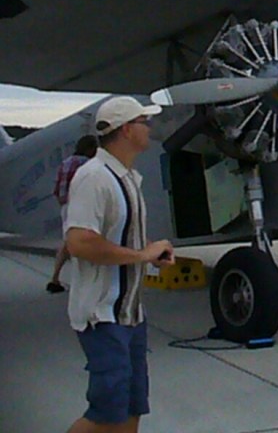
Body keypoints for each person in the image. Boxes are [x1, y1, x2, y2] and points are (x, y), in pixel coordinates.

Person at [64, 96, 175, 433]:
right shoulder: (94, 177)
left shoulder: (127, 177)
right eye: (145, 122)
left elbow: (120, 239)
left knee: (131, 408)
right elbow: (79, 242)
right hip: (103, 316)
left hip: (130, 314)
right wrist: (142, 255)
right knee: (104, 415)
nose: (150, 128)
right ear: (127, 130)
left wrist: (152, 253)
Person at [49, 135, 99, 293]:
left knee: (67, 243)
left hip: (66, 206)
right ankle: (86, 281)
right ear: (90, 149)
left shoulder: (66, 162)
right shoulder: (87, 164)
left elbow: (57, 189)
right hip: (82, 206)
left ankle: (55, 278)